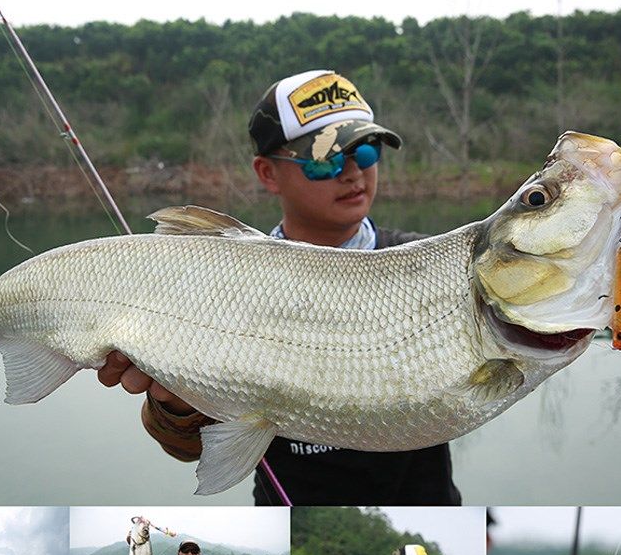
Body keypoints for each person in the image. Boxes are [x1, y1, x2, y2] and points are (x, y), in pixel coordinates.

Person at [98, 69, 461, 506]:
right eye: (325, 158)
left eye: (365, 152)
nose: (352, 173)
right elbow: (186, 447)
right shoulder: (220, 280)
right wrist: (178, 406)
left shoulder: (431, 264)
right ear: (268, 173)